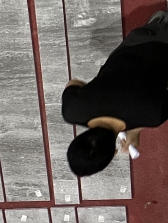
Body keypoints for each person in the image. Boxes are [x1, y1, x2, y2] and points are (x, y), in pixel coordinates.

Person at [62, 11, 168, 176]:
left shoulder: (152, 116)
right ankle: (158, 24)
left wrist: (136, 128)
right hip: (136, 42)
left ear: (113, 153)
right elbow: (73, 83)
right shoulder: (72, 110)